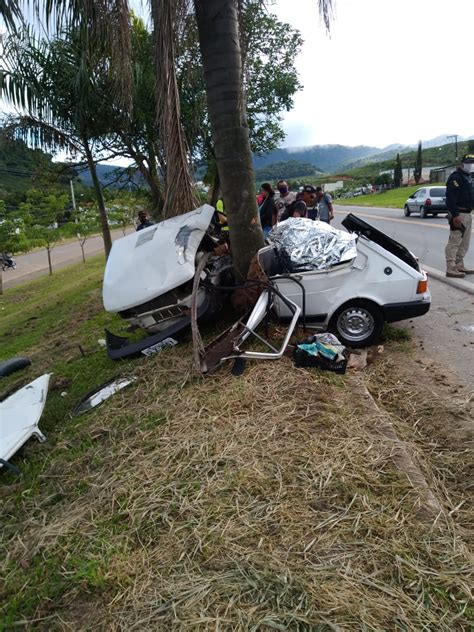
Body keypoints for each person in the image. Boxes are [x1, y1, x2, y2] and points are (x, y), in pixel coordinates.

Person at [444, 155, 473, 278]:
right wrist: (455, 215)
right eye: (469, 162)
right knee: (455, 241)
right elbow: (450, 198)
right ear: (462, 164)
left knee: (464, 243)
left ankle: (459, 265)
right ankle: (451, 268)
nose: (471, 164)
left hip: (467, 213)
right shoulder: (455, 177)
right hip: (459, 214)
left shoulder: (468, 177)